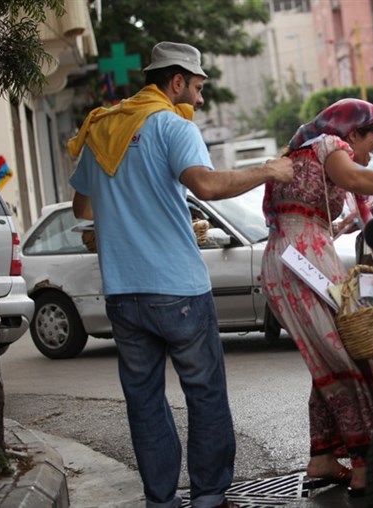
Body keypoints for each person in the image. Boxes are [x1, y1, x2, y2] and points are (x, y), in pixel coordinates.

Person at [67, 41, 293, 508]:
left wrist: (127, 206)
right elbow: (207, 185)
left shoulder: (102, 128)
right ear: (176, 83)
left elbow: (83, 207)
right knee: (205, 394)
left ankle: (161, 501)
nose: (201, 98)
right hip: (178, 289)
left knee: (145, 401)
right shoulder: (173, 125)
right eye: (198, 87)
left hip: (124, 293)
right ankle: (209, 497)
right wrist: (269, 170)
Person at [260, 98, 373, 496]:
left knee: (329, 358)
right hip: (303, 261)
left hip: (292, 257)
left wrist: (338, 225)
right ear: (352, 131)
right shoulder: (329, 145)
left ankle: (324, 456)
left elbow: (302, 212)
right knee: (352, 358)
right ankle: (363, 462)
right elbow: (357, 181)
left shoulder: (302, 151)